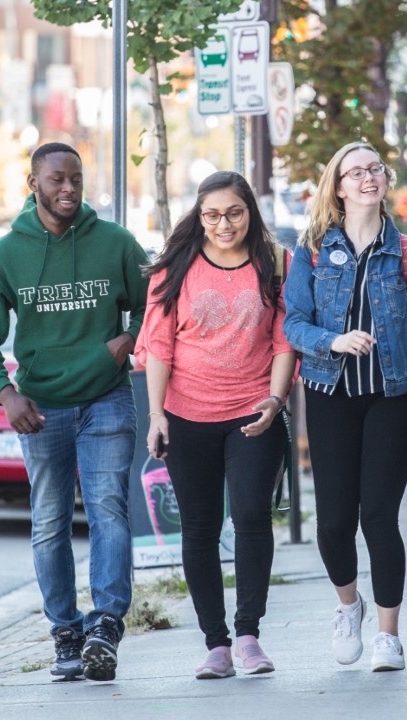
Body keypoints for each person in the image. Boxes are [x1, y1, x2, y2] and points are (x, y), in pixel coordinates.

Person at [0, 142, 149, 681]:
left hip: (107, 397)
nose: (68, 189)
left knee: (108, 509)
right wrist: (6, 394)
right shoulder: (6, 255)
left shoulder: (114, 242)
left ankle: (106, 625)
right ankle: (66, 632)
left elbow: (156, 302)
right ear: (33, 183)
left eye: (76, 179)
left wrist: (129, 338)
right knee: (49, 520)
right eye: (57, 179)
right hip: (41, 408)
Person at [283, 141, 407, 672]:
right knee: (334, 522)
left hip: (393, 396)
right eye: (355, 172)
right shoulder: (311, 250)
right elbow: (292, 323)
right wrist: (331, 341)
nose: (367, 178)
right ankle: (348, 606)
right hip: (329, 394)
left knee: (378, 516)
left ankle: (388, 635)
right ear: (338, 187)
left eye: (375, 169)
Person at [137, 171, 296, 679]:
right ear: (199, 216)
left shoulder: (276, 263)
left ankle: (248, 635)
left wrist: (275, 400)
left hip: (253, 411)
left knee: (251, 517)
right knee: (200, 528)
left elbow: (284, 340)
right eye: (212, 215)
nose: (223, 224)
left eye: (234, 213)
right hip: (187, 415)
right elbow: (159, 345)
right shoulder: (175, 267)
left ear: (250, 212)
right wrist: (157, 415)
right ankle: (216, 644)